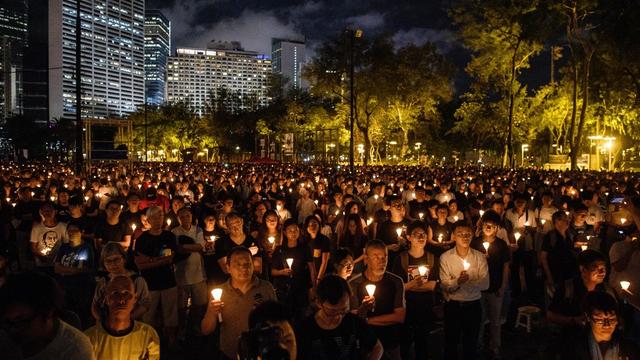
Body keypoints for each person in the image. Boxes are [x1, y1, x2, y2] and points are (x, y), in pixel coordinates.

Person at [201, 246, 277, 360]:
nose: (243, 268)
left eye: (247, 264)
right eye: (238, 264)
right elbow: (206, 330)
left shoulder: (266, 288)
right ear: (228, 268)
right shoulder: (220, 293)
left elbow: (278, 321)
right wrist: (212, 312)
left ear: (253, 265)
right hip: (229, 353)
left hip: (260, 353)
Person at [0, 271, 95, 359]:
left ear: (48, 312)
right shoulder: (5, 337)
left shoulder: (74, 349)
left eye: (21, 322)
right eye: (7, 322)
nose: (12, 330)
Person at [297, 275, 383, 360]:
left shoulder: (353, 321)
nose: (339, 316)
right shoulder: (306, 328)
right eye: (332, 311)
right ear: (319, 303)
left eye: (344, 309)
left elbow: (377, 348)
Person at [439, 220, 489, 360]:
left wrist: (460, 282)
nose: (465, 237)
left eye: (468, 234)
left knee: (471, 343)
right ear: (453, 236)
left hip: (473, 305)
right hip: (453, 306)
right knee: (451, 343)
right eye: (460, 234)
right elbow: (444, 284)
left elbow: (485, 284)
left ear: (472, 235)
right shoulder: (446, 258)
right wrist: (458, 281)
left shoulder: (479, 257)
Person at [349, 239, 406, 360]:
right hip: (366, 343)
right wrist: (363, 308)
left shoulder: (396, 281)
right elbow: (354, 319)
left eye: (385, 257)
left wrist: (367, 320)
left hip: (391, 340)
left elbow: (399, 316)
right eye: (376, 257)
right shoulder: (354, 283)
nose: (382, 262)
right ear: (366, 259)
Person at [391, 221, 438, 360]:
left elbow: (432, 285)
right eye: (417, 234)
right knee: (404, 343)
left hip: (425, 308)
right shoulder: (401, 259)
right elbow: (398, 287)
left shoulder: (432, 258)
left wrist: (410, 286)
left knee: (422, 343)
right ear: (409, 237)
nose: (421, 237)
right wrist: (413, 284)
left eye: (423, 234)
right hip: (406, 308)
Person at [133, 206, 178, 346]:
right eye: (155, 216)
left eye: (161, 216)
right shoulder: (141, 239)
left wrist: (150, 259)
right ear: (149, 219)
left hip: (168, 281)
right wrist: (160, 259)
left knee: (171, 314)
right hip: (150, 284)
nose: (159, 219)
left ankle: (172, 341)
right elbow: (140, 264)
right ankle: (150, 341)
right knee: (149, 315)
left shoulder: (169, 237)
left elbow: (170, 258)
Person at [85, 275, 160, 359]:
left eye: (126, 293)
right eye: (115, 293)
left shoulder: (147, 335)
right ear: (106, 299)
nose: (121, 300)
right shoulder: (89, 339)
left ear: (135, 299)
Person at [470, 210, 511, 358]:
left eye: (492, 226)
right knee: (479, 319)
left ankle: (495, 346)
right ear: (482, 225)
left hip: (495, 288)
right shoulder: (475, 243)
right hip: (478, 289)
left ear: (497, 228)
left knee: (495, 319)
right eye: (486, 224)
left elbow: (506, 268)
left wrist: (503, 287)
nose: (489, 228)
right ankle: (479, 345)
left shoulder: (501, 245)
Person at [562, 291, 640, 359]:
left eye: (612, 319)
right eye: (599, 319)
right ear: (588, 317)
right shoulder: (574, 348)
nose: (607, 325)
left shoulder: (629, 348)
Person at [171, 207, 208, 339]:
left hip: (198, 273)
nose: (186, 218)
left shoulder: (198, 230)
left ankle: (195, 326)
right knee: (181, 307)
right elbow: (175, 250)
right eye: (183, 216)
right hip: (181, 274)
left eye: (188, 216)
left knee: (198, 305)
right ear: (178, 218)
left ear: (191, 216)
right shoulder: (174, 232)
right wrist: (193, 247)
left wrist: (183, 247)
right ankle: (181, 329)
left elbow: (200, 246)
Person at [92, 241, 150, 322]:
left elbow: (145, 303)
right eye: (108, 261)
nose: (113, 264)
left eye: (116, 259)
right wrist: (102, 320)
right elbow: (95, 304)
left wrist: (127, 319)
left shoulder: (137, 280)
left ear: (124, 259)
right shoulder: (103, 281)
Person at [54, 224, 95, 329]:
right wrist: (75, 270)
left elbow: (87, 269)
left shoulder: (87, 248)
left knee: (81, 316)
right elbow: (56, 268)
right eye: (70, 230)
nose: (72, 232)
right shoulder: (64, 247)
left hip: (81, 289)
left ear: (81, 232)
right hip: (64, 287)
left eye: (75, 230)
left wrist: (65, 271)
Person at [30, 201, 68, 275]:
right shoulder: (37, 228)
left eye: (50, 210)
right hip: (41, 265)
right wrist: (41, 257)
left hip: (58, 264)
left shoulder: (63, 227)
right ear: (41, 212)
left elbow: (66, 245)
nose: (47, 213)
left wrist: (60, 258)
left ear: (55, 211)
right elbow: (33, 247)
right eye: (45, 211)